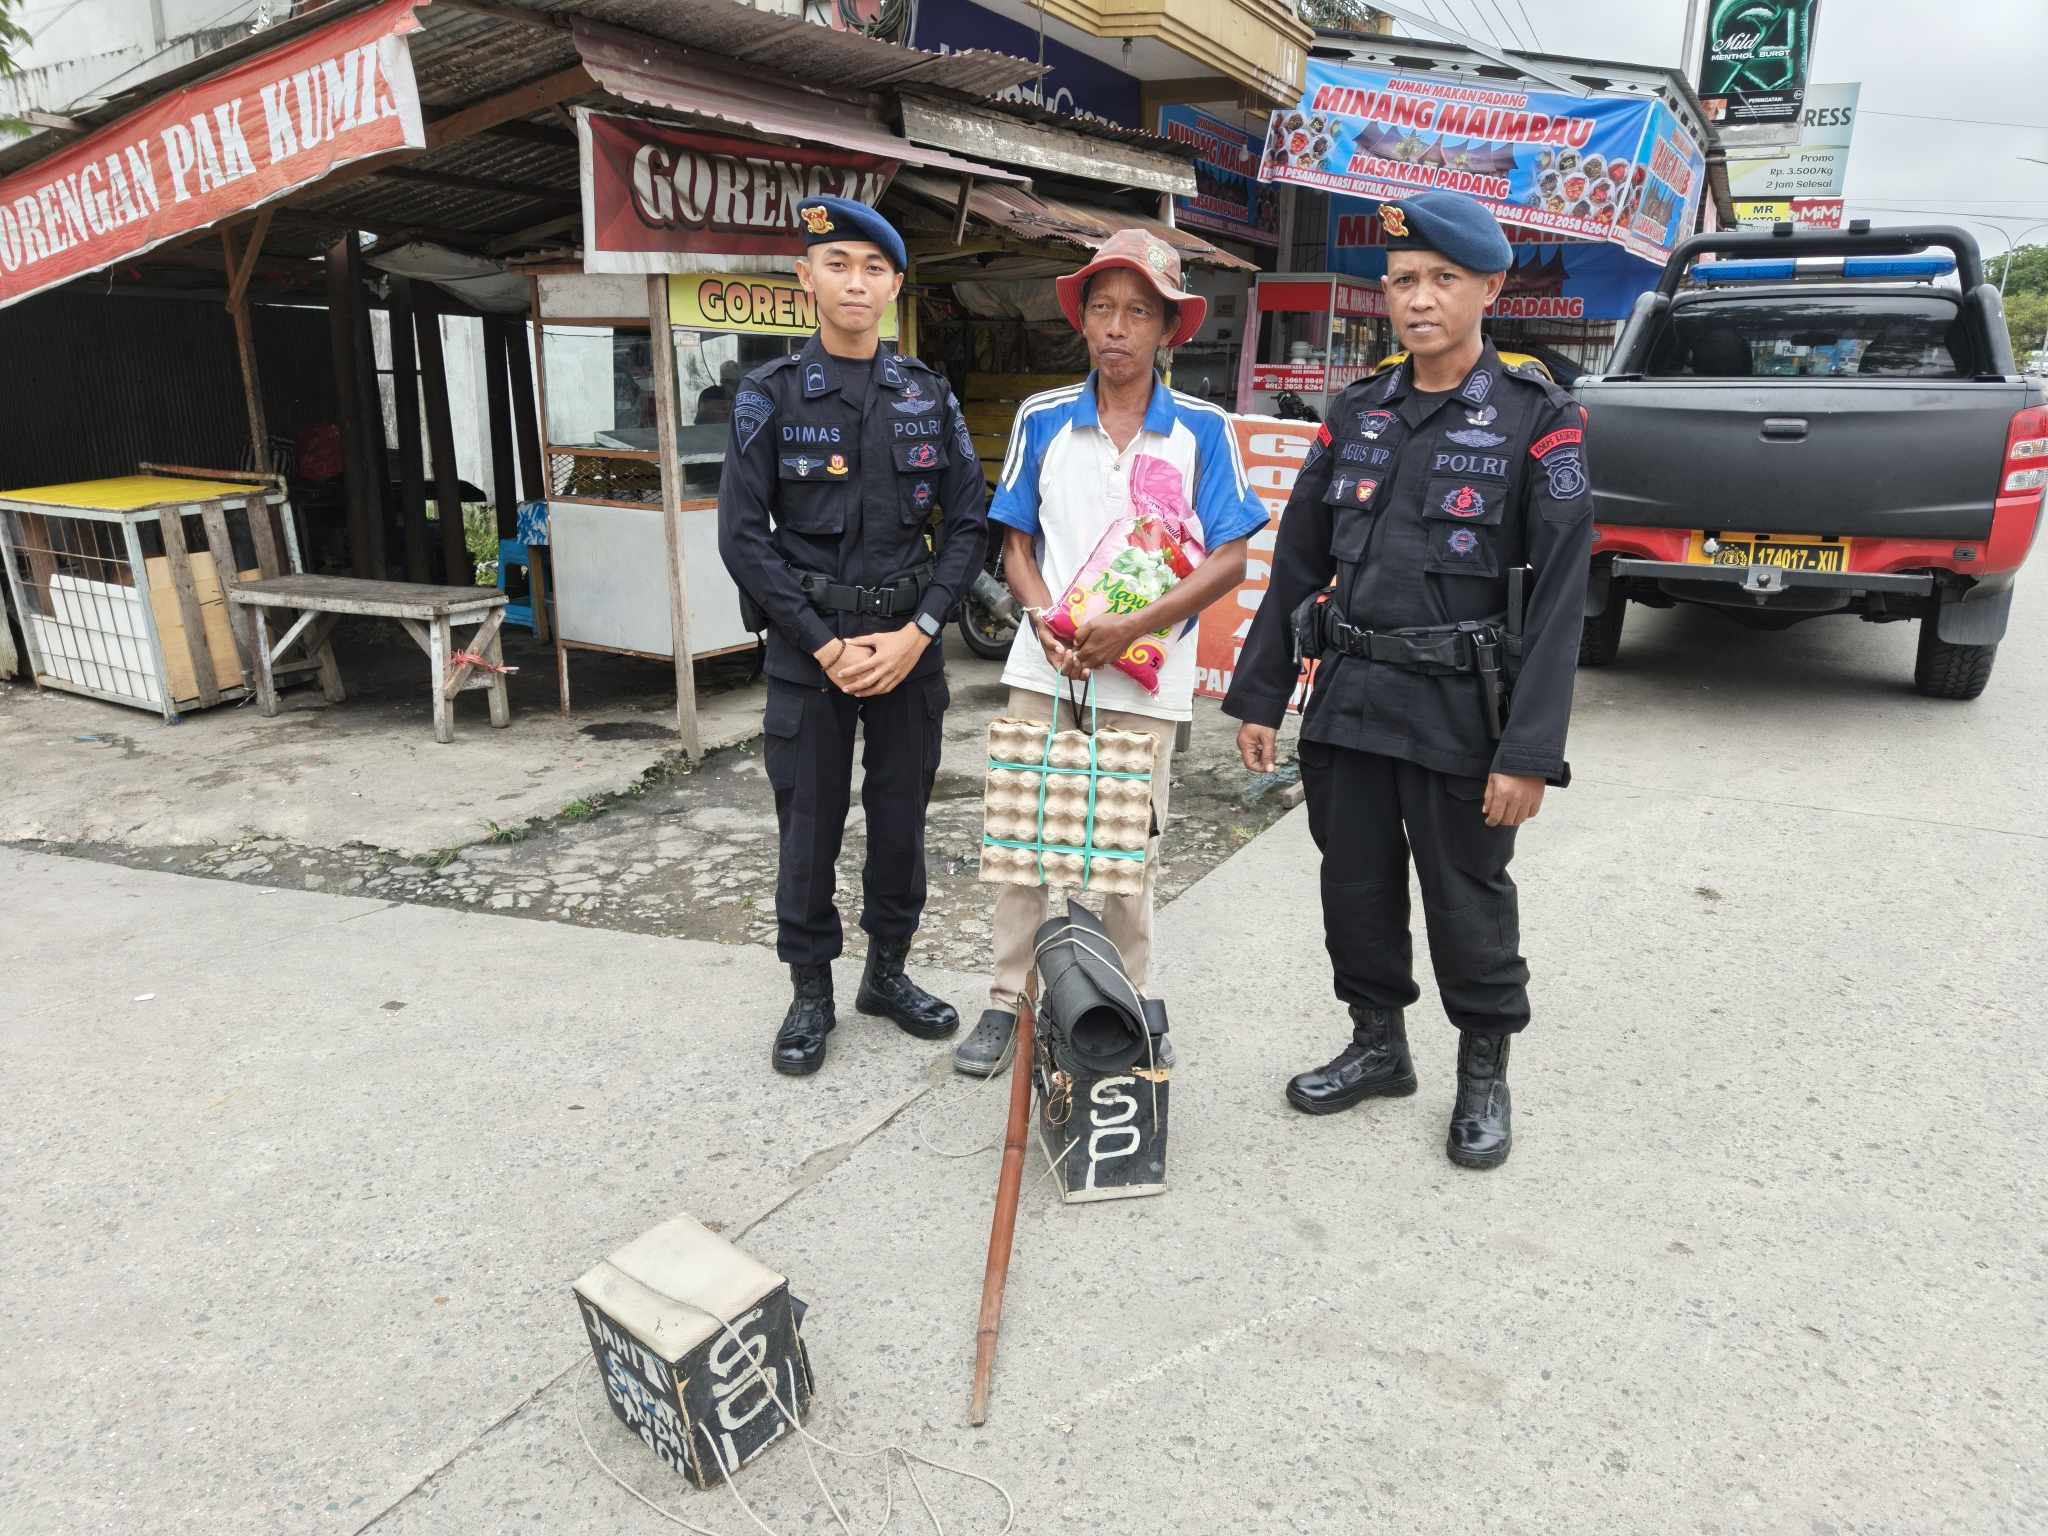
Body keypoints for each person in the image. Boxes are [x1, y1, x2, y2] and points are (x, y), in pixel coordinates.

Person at [1222, 191, 1594, 1170]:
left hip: (1460, 710)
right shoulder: (1358, 411)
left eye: (1441, 279)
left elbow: (1562, 602)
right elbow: (1297, 562)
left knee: (1467, 899)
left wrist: (1528, 753)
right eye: (1401, 282)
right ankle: (1377, 1046)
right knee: (1352, 887)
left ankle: (1483, 1072)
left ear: (1488, 289)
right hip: (1348, 699)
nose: (1418, 299)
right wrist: (1262, 695)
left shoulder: (1536, 417)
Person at [952, 229, 1268, 1077]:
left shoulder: (1201, 429)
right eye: (1103, 309)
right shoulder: (1043, 418)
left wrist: (1130, 629)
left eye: (1138, 312)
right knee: (1024, 843)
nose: (1118, 327)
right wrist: (1043, 619)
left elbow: (1229, 560)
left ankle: (1124, 1005)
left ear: (1168, 330)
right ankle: (1008, 1001)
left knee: (1127, 856)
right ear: (1083, 321)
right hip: (1043, 670)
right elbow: (1015, 543)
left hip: (1145, 682)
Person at [717, 197, 988, 1077]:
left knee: (902, 822)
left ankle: (887, 974)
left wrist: (921, 630)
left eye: (874, 269)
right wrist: (824, 646)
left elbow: (969, 523)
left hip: (909, 647)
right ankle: (811, 993)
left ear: (896, 286)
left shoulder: (927, 395)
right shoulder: (768, 395)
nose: (856, 283)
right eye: (838, 264)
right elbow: (742, 538)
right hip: (811, 651)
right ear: (807, 278)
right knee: (809, 826)